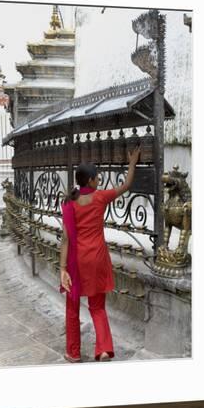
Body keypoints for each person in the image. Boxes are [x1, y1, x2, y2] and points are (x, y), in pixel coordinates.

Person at [59, 145, 141, 363]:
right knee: (97, 307)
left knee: (72, 308)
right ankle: (103, 349)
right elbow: (126, 185)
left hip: (76, 262)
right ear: (91, 180)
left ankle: (73, 353)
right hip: (97, 258)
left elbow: (65, 239)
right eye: (98, 178)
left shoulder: (69, 203)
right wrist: (132, 163)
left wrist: (62, 268)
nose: (100, 181)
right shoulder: (100, 197)